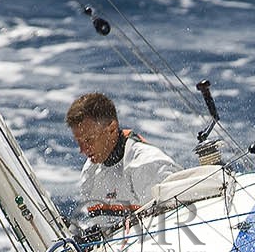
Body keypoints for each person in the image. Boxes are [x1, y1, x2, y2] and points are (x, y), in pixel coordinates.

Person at [65, 92, 178, 229]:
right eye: (79, 142)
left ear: (112, 129)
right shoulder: (90, 172)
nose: (82, 150)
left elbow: (175, 223)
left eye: (88, 140)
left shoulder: (148, 164)